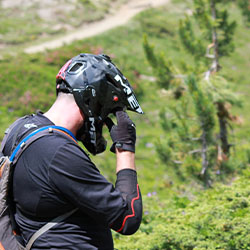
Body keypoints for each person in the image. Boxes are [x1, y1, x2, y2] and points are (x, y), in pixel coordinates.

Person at [2, 53, 143, 249]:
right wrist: (125, 147)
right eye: (105, 111)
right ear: (92, 102)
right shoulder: (59, 153)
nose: (103, 122)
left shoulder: (20, 129)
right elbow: (128, 218)